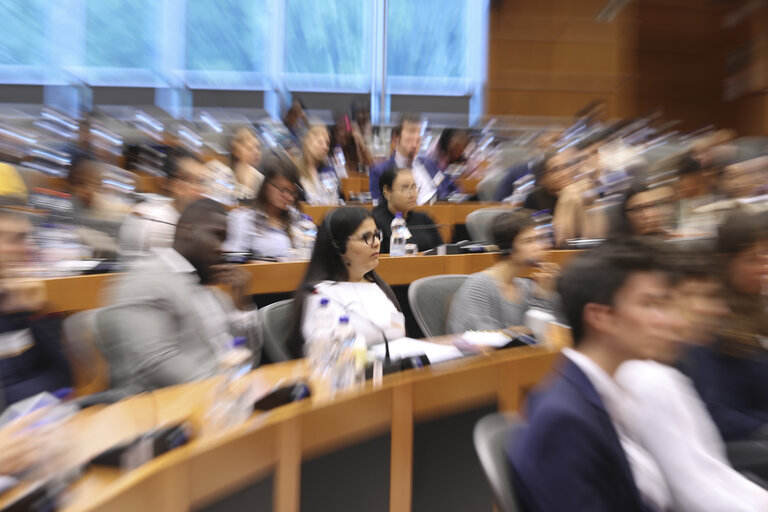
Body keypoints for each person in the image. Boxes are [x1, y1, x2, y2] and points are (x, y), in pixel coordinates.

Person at [509, 237, 684, 512]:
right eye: (650, 304)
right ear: (601, 317)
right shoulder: (564, 422)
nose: (670, 320)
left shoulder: (604, 390)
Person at [615, 251, 768, 511]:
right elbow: (693, 493)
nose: (719, 310)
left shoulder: (673, 369)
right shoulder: (647, 379)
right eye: (705, 296)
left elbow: (710, 472)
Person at [102, 199, 261, 392]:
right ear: (187, 230)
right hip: (166, 409)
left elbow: (248, 357)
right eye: (217, 236)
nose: (223, 248)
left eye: (226, 240)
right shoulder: (145, 279)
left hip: (225, 398)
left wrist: (242, 308)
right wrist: (226, 388)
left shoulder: (215, 291)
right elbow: (156, 363)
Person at [686, 210, 768, 442]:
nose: (764, 267)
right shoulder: (712, 319)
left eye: (764, 256)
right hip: (752, 445)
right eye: (752, 259)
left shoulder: (757, 305)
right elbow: (716, 413)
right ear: (726, 263)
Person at [288, 207, 404, 359]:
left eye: (376, 235)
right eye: (366, 237)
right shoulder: (320, 296)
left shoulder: (377, 286)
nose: (376, 243)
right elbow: (327, 353)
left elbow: (399, 331)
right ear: (338, 245)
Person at [0, 204, 72, 409]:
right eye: (17, 239)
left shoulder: (13, 301)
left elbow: (65, 377)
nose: (30, 248)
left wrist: (35, 314)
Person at [447, 211, 557, 334]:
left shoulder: (527, 286)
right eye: (529, 241)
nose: (539, 247)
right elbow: (484, 342)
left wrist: (543, 295)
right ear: (507, 248)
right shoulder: (479, 287)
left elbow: (548, 333)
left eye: (538, 239)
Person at [118, 148, 208, 260]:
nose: (198, 188)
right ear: (168, 183)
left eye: (201, 181)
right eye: (188, 180)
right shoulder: (157, 222)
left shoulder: (187, 217)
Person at [224, 152, 305, 260]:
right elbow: (232, 261)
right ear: (266, 186)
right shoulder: (244, 219)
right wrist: (254, 261)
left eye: (292, 192)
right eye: (283, 190)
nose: (289, 197)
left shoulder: (296, 218)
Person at [372, 165, 442, 254]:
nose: (412, 194)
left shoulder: (424, 219)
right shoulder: (375, 222)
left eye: (414, 187)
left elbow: (442, 252)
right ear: (387, 192)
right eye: (405, 188)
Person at [369, 113, 422, 202]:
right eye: (410, 139)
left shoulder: (428, 166)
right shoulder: (379, 172)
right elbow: (378, 209)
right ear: (396, 138)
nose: (414, 145)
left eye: (417, 140)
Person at [296, 124, 342, 205]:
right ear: (307, 142)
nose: (325, 147)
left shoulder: (330, 172)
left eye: (327, 143)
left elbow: (338, 199)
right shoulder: (296, 174)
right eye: (320, 142)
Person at [610, 182, 675, 238]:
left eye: (650, 206)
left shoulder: (664, 238)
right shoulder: (620, 247)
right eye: (637, 210)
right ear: (625, 216)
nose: (647, 215)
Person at [421, 128, 468, 201]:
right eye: (457, 147)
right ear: (448, 139)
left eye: (461, 149)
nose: (459, 152)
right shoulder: (432, 159)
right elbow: (439, 190)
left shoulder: (454, 161)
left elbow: (456, 188)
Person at [229, 126, 264, 200]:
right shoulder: (225, 172)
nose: (256, 152)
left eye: (258, 147)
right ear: (236, 151)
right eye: (249, 149)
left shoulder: (260, 178)